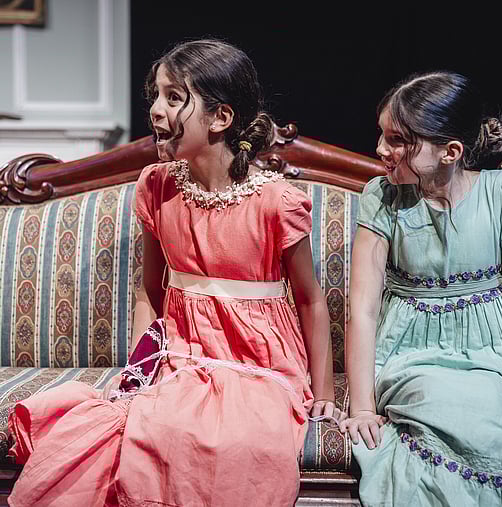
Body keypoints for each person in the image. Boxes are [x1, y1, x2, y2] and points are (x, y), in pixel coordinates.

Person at [7, 38, 340, 507]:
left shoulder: (275, 201)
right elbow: (150, 291)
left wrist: (324, 393)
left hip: (256, 360)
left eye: (174, 97)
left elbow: (310, 299)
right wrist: (138, 370)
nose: (156, 110)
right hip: (180, 350)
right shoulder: (158, 185)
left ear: (221, 118)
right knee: (132, 428)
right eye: (156, 96)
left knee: (226, 439)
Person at [339, 70, 502, 506]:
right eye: (382, 135)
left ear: (451, 152)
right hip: (410, 352)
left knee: (487, 415)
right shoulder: (382, 197)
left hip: (493, 352)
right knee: (431, 403)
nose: (381, 149)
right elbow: (363, 309)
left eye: (398, 140)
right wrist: (362, 407)